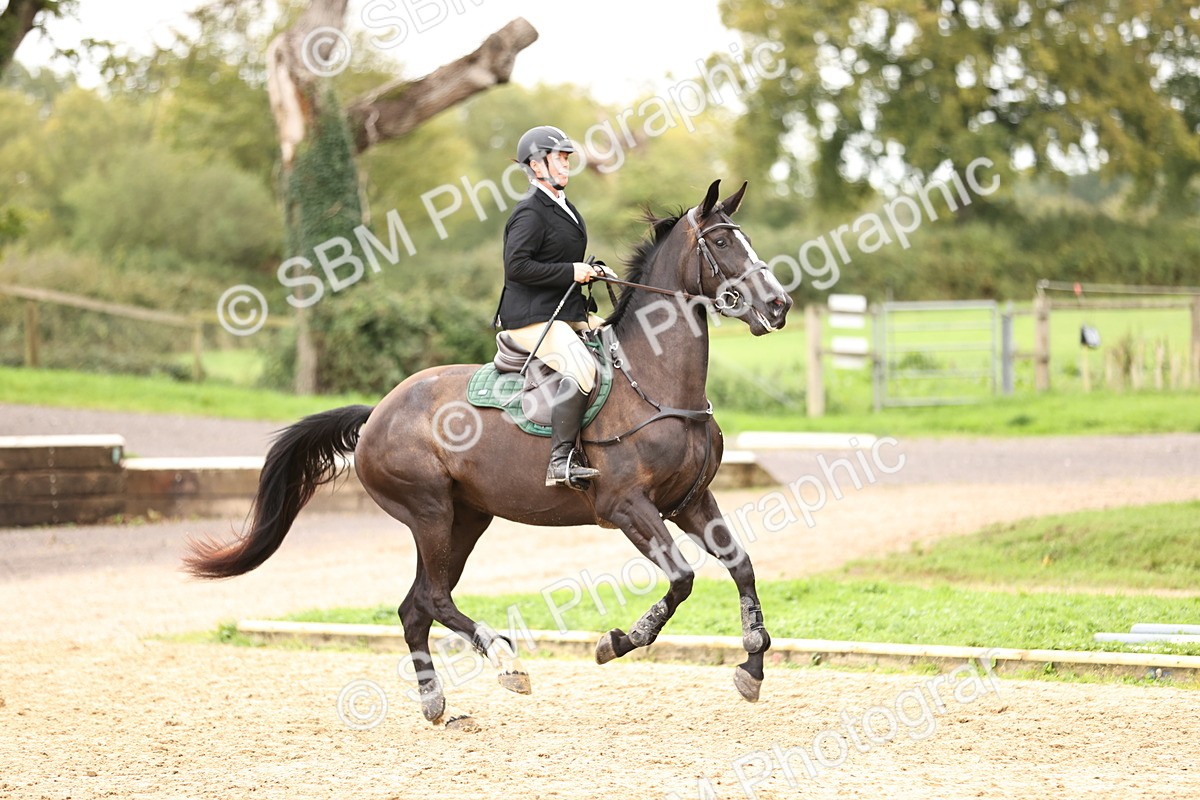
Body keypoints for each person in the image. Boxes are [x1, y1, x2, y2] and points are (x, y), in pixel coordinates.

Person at [494, 125, 611, 489]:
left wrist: (592, 271)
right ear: (535, 164)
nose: (565, 165)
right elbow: (517, 267)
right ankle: (560, 461)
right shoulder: (530, 211)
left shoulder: (565, 208)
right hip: (531, 317)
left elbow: (562, 262)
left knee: (621, 338)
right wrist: (571, 271)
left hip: (565, 311)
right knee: (581, 368)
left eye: (566, 158)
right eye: (559, 158)